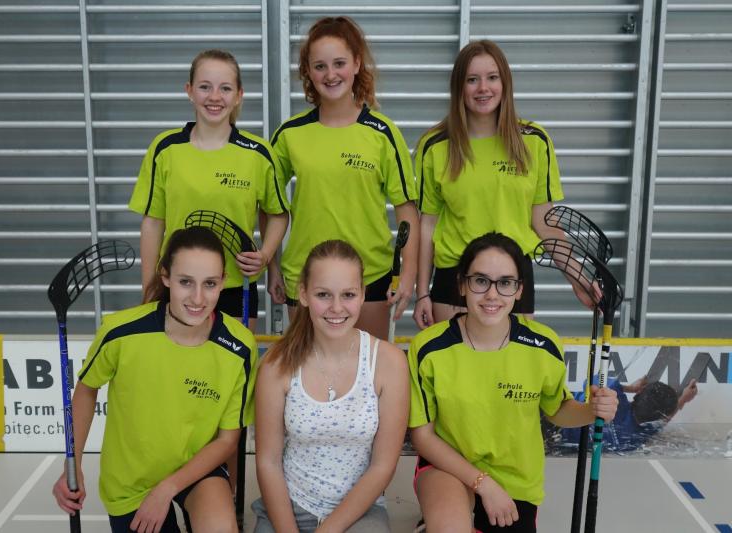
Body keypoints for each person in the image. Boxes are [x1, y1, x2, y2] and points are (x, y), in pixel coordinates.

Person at [407, 232, 618, 532]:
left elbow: (558, 410)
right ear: (462, 284)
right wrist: (484, 485)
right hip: (448, 469)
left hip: (516, 481)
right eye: (481, 281)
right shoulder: (429, 348)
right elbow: (423, 437)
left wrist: (591, 410)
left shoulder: (543, 345)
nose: (492, 295)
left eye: (505, 283)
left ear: (519, 290)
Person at [52, 226, 258, 533]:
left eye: (210, 283)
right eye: (185, 282)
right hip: (132, 480)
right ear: (165, 277)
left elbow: (227, 440)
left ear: (223, 282)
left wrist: (167, 488)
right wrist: (74, 464)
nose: (198, 298)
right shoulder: (120, 332)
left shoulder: (240, 346)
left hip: (197, 468)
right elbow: (86, 389)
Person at [413, 40, 593, 329]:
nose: (483, 88)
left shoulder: (533, 141)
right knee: (456, 360)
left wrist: (578, 277)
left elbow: (544, 222)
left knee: (513, 361)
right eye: (472, 79)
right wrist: (422, 292)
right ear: (459, 87)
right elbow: (428, 224)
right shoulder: (435, 145)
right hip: (455, 279)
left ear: (505, 83)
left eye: (492, 77)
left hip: (513, 278)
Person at [268, 16, 419, 340]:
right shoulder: (289, 134)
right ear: (308, 72)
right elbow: (270, 205)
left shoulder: (382, 133)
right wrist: (273, 266)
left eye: (339, 63)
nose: (330, 74)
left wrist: (408, 275)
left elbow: (407, 211)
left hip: (370, 276)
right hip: (304, 277)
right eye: (319, 66)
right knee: (308, 369)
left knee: (366, 370)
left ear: (357, 64)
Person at [253, 239, 409, 532]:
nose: (336, 308)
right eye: (323, 294)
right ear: (303, 294)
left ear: (363, 295)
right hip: (288, 506)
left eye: (348, 294)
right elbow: (268, 463)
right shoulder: (276, 364)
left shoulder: (389, 363)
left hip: (359, 512)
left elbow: (382, 466)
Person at [129, 48, 289, 330]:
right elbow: (153, 222)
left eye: (225, 88)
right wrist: (149, 287)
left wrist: (265, 255)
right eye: (205, 87)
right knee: (180, 357)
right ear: (189, 91)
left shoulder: (258, 153)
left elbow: (277, 214)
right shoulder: (165, 149)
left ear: (238, 95)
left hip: (236, 285)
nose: (215, 97)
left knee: (234, 358)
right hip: (179, 285)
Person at [547, 377, 699, 454]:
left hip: (553, 411)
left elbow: (591, 381)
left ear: (638, 394)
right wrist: (683, 400)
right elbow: (663, 420)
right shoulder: (634, 439)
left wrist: (630, 388)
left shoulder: (616, 398)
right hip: (555, 443)